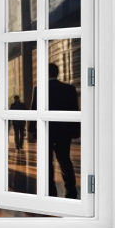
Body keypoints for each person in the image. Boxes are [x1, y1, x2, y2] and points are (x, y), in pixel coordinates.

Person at [29, 63, 79, 199]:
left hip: (46, 132)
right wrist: (75, 131)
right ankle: (71, 190)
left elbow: (35, 111)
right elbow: (75, 110)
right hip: (64, 132)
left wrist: (32, 130)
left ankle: (50, 191)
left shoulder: (39, 89)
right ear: (56, 73)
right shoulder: (69, 89)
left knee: (47, 162)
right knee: (65, 160)